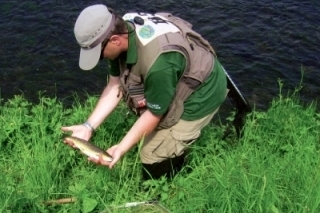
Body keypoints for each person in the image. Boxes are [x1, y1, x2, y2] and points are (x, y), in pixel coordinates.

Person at [61, 4, 227, 180]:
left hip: (202, 93)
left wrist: (120, 148)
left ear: (115, 40)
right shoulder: (120, 29)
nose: (101, 59)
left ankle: (172, 180)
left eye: (99, 54)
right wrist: (88, 127)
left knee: (150, 154)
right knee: (149, 127)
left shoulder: (157, 64)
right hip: (177, 71)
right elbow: (114, 86)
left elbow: (155, 113)